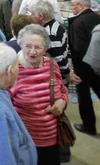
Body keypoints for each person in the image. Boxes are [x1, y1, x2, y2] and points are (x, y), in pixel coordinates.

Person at [9, 24, 69, 165]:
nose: (32, 52)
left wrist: (62, 102)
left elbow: (63, 91)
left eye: (38, 47)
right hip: (25, 142)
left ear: (45, 49)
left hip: (52, 139)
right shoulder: (13, 70)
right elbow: (5, 106)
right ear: (20, 45)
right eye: (28, 46)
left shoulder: (51, 65)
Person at [68, 0, 100, 135]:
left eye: (73, 5)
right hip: (97, 64)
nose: (71, 8)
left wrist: (75, 69)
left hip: (83, 66)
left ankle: (89, 126)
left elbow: (78, 48)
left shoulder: (77, 22)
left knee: (84, 96)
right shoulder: (96, 17)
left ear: (81, 6)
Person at [29, 0, 76, 83]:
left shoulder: (50, 33)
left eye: (33, 14)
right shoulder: (56, 25)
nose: (30, 16)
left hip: (57, 76)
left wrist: (67, 74)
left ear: (40, 16)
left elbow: (58, 58)